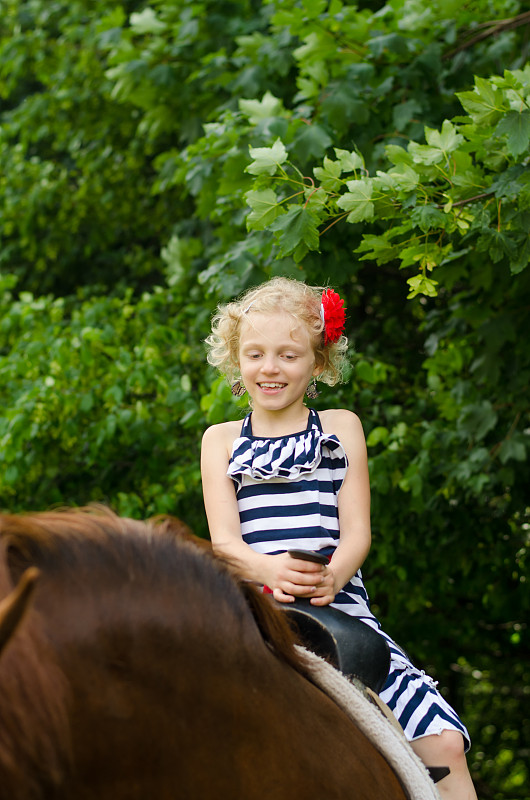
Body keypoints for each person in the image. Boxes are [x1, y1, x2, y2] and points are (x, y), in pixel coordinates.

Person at [201, 276, 477, 800]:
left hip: (341, 609)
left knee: (443, 745)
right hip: (259, 610)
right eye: (255, 354)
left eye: (288, 354)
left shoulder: (340, 427)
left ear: (319, 363)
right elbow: (225, 545)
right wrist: (272, 571)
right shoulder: (221, 441)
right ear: (236, 361)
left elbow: (357, 534)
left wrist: (333, 575)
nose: (270, 368)